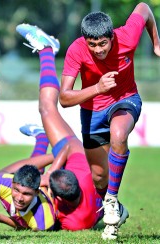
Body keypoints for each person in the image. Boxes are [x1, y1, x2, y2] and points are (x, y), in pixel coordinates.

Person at [16, 20, 130, 239]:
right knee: (47, 108)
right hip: (74, 154)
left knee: (47, 114)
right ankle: (45, 50)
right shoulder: (74, 222)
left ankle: (41, 135)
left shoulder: (76, 219)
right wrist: (50, 173)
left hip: (80, 160)